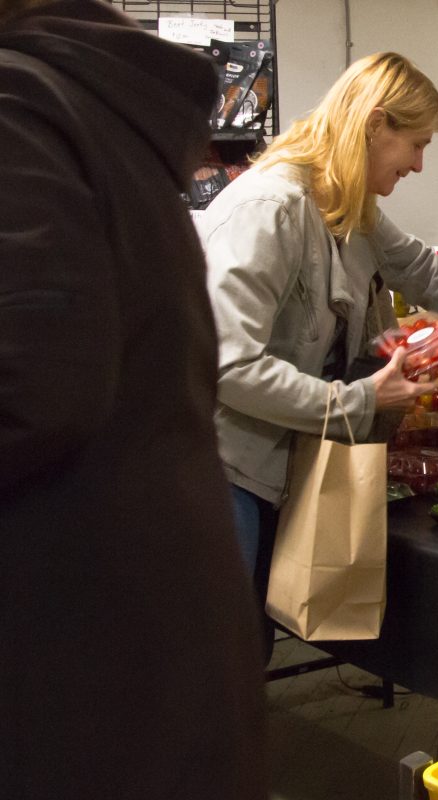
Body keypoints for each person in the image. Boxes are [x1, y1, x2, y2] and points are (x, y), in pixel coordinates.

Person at [0, 1, 265, 798]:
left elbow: (28, 388)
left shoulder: (17, 111)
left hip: (67, 665)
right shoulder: (88, 106)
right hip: (136, 642)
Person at [200, 52, 438, 607]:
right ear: (376, 123)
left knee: (246, 643)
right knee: (222, 647)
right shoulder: (269, 209)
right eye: (419, 144)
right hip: (224, 469)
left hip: (277, 461)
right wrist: (359, 399)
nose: (421, 164)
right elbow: (228, 366)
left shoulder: (349, 206)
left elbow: (421, 269)